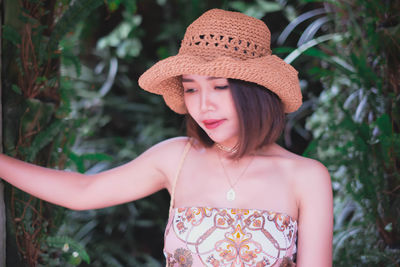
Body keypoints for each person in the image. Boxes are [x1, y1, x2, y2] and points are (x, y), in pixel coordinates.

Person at [0, 9, 333, 267]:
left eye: (219, 86)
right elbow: (83, 191)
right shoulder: (176, 158)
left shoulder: (306, 176)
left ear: (256, 91)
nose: (203, 105)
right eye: (191, 88)